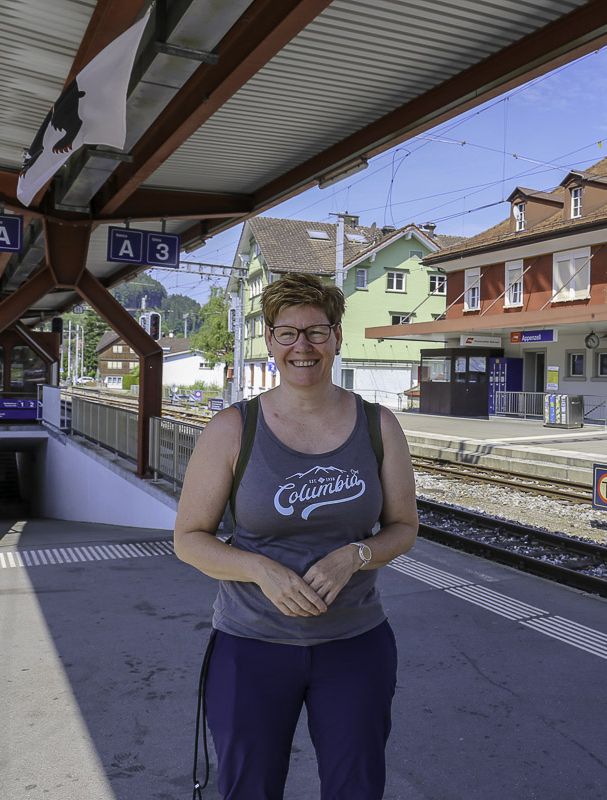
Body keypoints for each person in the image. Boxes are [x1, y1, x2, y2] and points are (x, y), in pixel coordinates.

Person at [174, 272, 418, 800]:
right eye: (287, 333)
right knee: (250, 790)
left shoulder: (379, 425)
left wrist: (356, 555)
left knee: (356, 788)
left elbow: (403, 528)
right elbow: (189, 538)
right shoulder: (233, 428)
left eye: (316, 332)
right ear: (269, 339)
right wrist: (261, 570)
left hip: (354, 644)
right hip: (251, 645)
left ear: (336, 338)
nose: (302, 346)